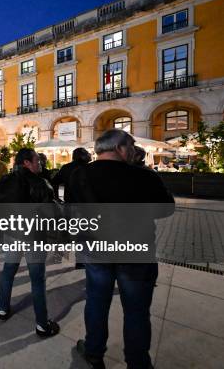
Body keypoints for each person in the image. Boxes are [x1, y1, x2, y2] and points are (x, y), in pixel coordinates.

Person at [69, 129, 174, 369]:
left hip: (96, 249)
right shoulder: (143, 176)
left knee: (96, 301)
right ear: (120, 147)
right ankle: (138, 362)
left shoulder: (79, 175)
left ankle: (94, 353)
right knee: (136, 310)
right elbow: (166, 208)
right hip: (136, 251)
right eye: (131, 145)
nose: (134, 150)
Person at [0, 148, 60, 337]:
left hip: (12, 234)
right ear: (26, 163)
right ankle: (42, 324)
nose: (40, 163)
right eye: (37, 161)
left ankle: (2, 308)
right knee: (37, 279)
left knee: (8, 271)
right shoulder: (41, 184)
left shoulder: (5, 180)